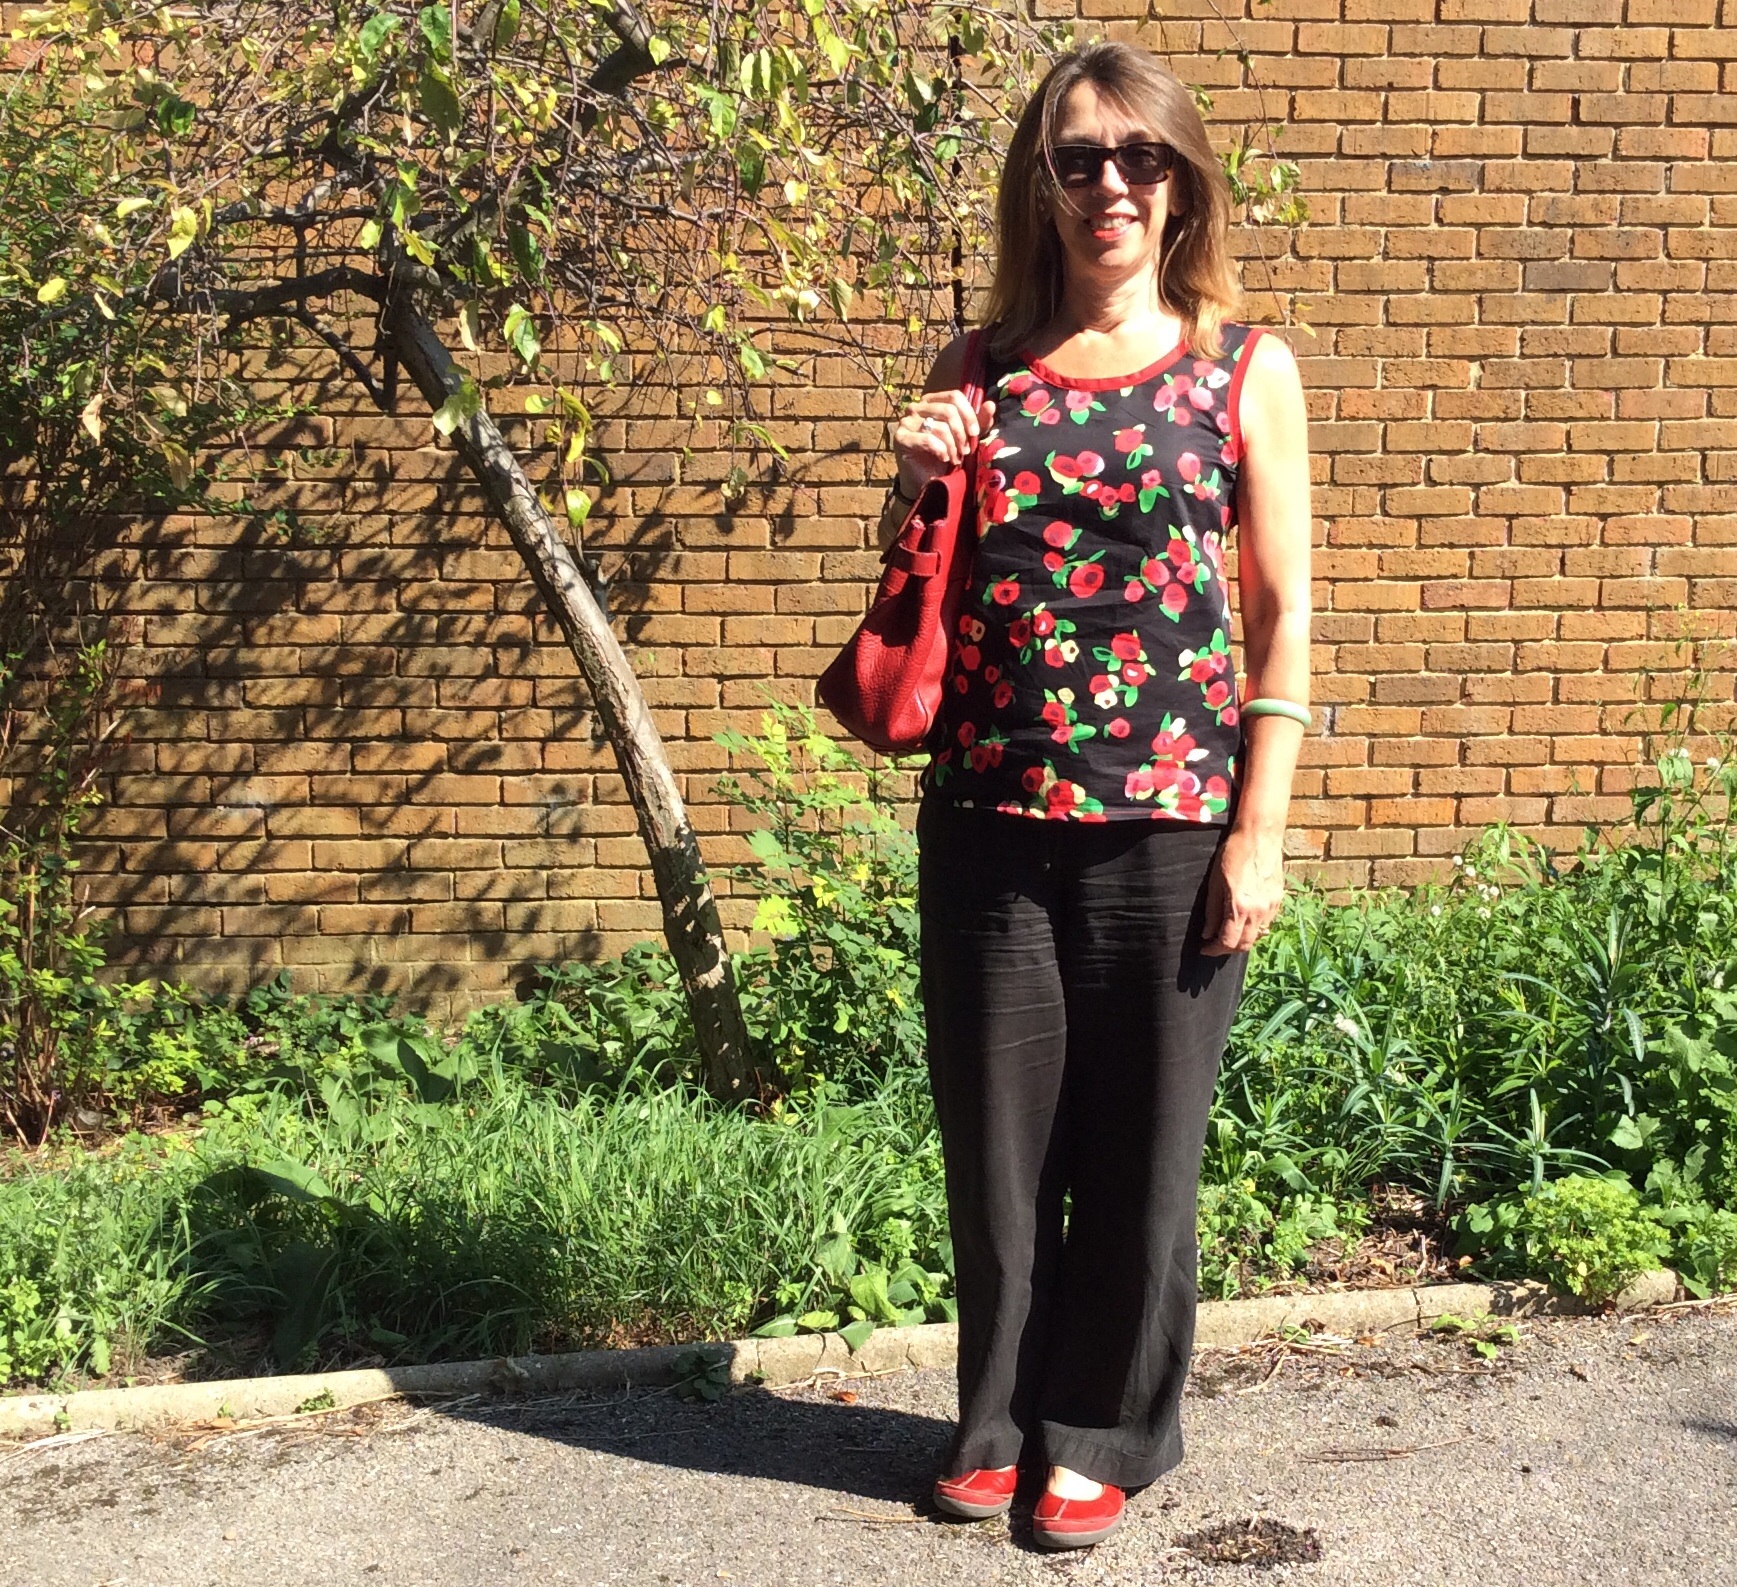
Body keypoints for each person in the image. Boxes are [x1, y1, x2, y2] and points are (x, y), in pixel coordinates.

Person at [881, 41, 1312, 1550]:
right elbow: (921, 589)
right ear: (1041, 184)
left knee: (1141, 1154)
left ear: (1182, 184)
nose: (1111, 185)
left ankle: (1106, 1430)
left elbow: (1281, 615)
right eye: (1079, 159)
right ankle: (997, 1425)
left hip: (1170, 823)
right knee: (1000, 1159)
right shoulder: (978, 366)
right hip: (989, 821)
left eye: (1141, 158)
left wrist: (1259, 830)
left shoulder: (1241, 368)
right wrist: (909, 479)